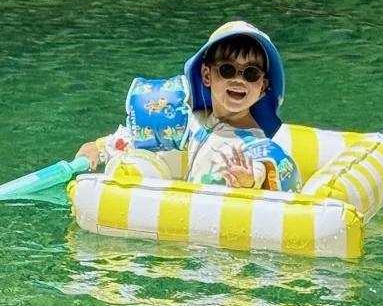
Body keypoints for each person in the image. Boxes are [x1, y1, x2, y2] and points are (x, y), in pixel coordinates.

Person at [75, 20, 299, 192]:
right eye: (228, 70)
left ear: (262, 87)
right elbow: (143, 136)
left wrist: (250, 181)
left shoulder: (251, 142)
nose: (239, 80)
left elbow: (262, 165)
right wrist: (101, 147)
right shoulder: (193, 121)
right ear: (207, 75)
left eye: (251, 74)